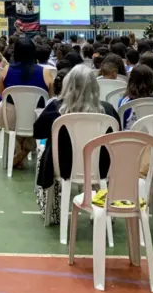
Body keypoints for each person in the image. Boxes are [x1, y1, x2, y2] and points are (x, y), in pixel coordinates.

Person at [32, 65, 119, 221]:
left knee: (44, 150)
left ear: (68, 84)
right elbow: (117, 138)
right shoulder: (108, 110)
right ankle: (104, 210)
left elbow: (38, 132)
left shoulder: (56, 109)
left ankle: (51, 211)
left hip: (64, 167)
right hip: (101, 167)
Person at [0, 38, 52, 169]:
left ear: (15, 52)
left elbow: (2, 95)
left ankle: (19, 148)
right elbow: (50, 98)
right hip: (36, 120)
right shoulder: (46, 72)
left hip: (11, 118)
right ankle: (26, 147)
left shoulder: (6, 70)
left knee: (2, 106)